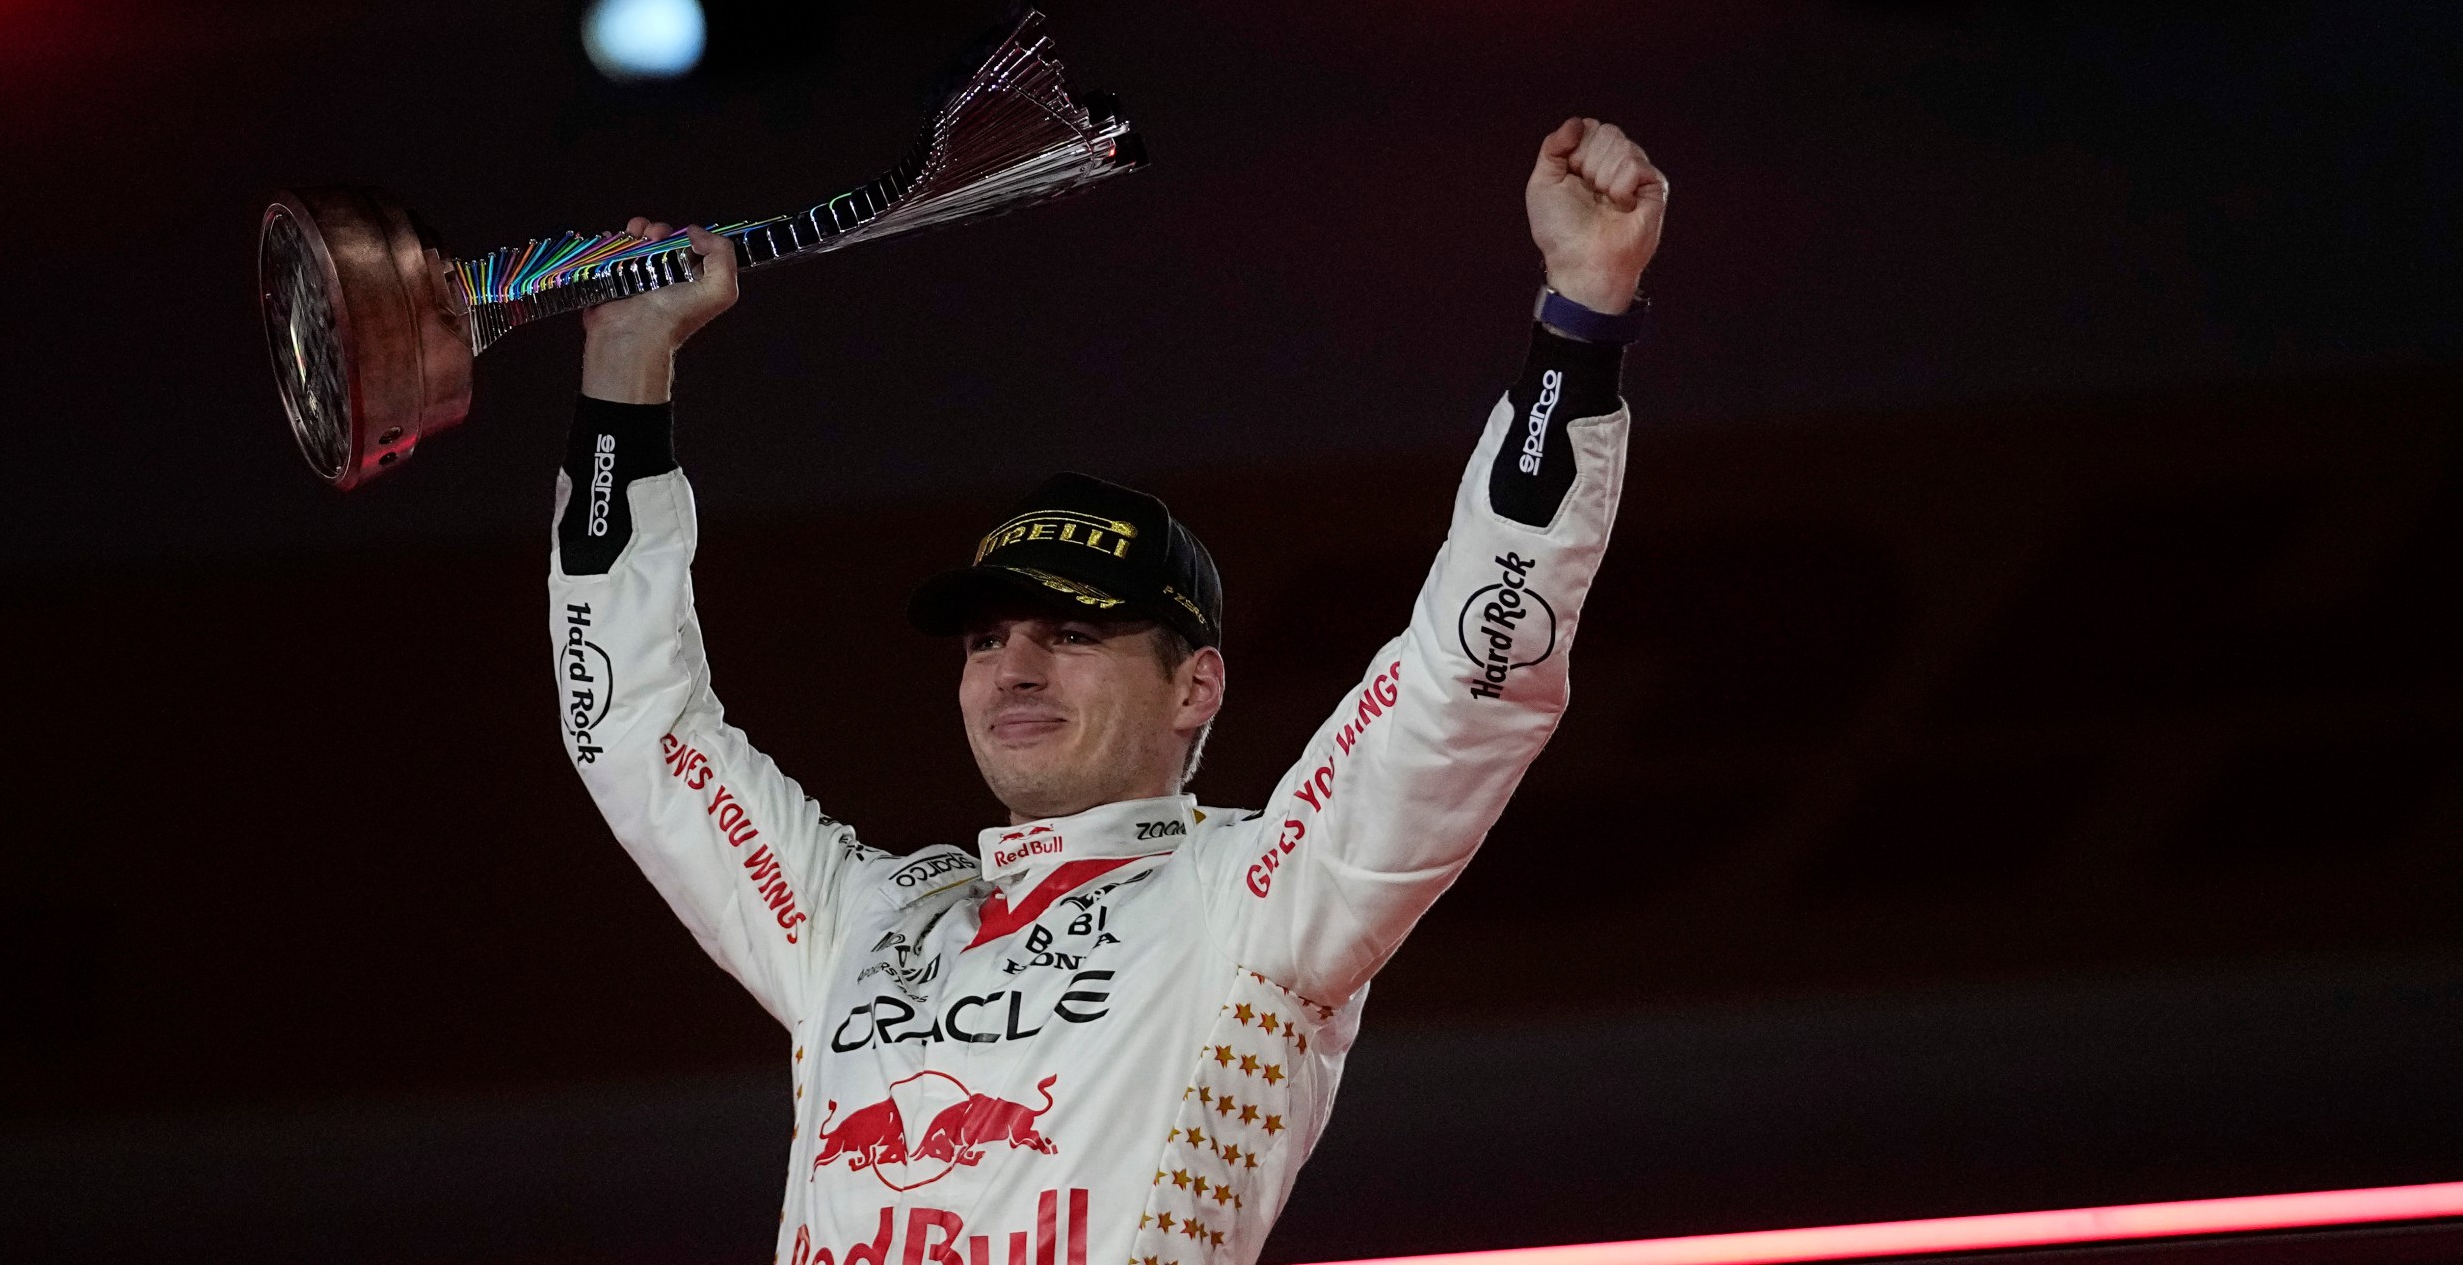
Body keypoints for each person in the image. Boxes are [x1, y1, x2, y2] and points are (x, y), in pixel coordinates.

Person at [550, 117, 1665, 1265]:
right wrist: (624, 375)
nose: (1015, 670)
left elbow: (1464, 682)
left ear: (1197, 688)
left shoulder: (1251, 905)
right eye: (987, 640)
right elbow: (629, 724)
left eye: (1072, 633)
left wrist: (1577, 327)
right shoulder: (858, 922)